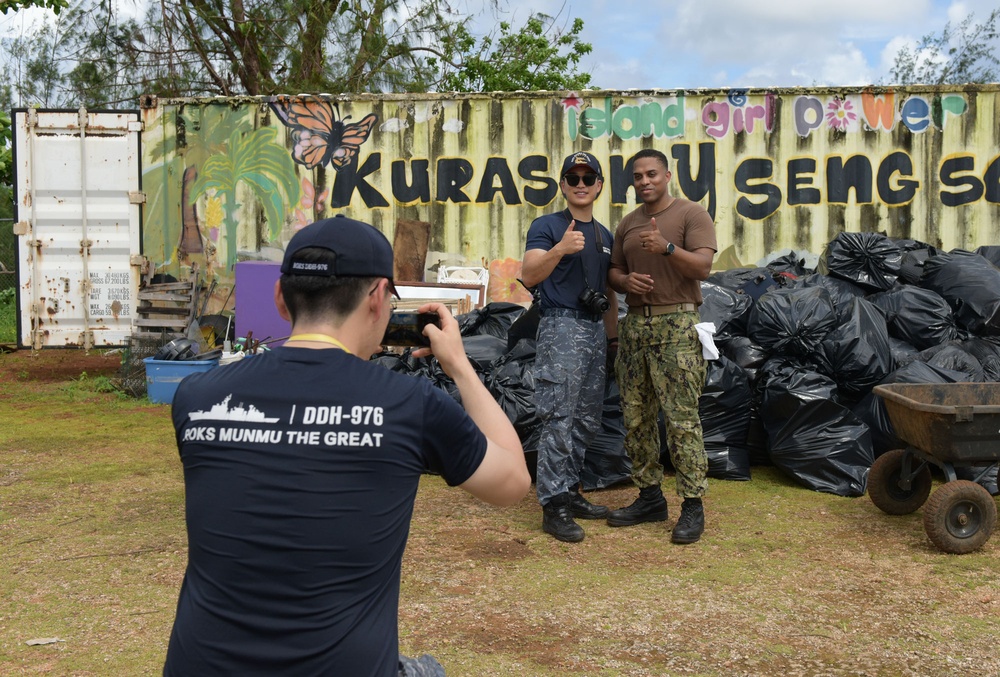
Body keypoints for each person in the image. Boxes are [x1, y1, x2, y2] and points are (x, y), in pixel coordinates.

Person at [163, 215, 531, 676]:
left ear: (281, 298)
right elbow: (512, 481)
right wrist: (459, 365)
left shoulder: (198, 398)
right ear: (378, 298)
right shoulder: (409, 404)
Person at [606, 148, 717, 545]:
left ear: (667, 175)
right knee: (636, 417)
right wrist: (625, 283)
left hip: (678, 324)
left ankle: (691, 504)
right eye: (637, 176)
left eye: (651, 174)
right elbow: (614, 271)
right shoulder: (628, 223)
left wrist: (667, 248)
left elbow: (703, 267)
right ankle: (650, 496)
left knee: (681, 418)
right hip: (636, 325)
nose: (644, 181)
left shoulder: (691, 214)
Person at [521, 151, 618, 543]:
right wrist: (560, 250)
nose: (580, 184)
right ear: (562, 185)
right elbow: (528, 274)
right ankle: (553, 505)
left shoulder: (604, 235)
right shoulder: (547, 225)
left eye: (588, 177)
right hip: (560, 327)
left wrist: (612, 341)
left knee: (586, 419)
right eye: (572, 178)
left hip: (595, 332)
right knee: (558, 415)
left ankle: (570, 489)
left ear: (598, 185)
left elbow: (609, 293)